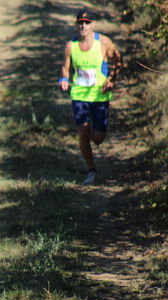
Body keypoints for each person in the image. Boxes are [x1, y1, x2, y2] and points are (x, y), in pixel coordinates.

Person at [58, 9, 123, 185]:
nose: (83, 26)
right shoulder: (70, 45)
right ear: (76, 24)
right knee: (83, 133)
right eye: (80, 22)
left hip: (99, 95)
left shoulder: (103, 42)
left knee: (98, 138)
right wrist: (64, 78)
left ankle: (95, 147)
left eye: (87, 22)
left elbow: (118, 59)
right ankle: (91, 170)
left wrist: (111, 79)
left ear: (93, 24)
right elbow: (65, 66)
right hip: (79, 94)